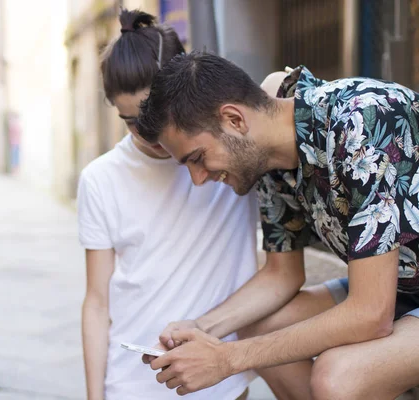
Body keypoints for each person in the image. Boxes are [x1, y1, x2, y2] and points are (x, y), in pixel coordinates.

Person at [136, 51, 419, 399]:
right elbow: (281, 275)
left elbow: (370, 313)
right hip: (400, 286)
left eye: (197, 158)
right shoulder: (268, 160)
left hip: (386, 295)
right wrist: (201, 327)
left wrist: (226, 359)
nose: (198, 179)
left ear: (234, 120)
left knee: (339, 378)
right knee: (257, 324)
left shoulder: (363, 120)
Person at [77, 11, 258, 400]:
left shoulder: (227, 154)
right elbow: (96, 301)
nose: (146, 131)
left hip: (219, 380)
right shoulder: (100, 178)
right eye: (129, 121)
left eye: (149, 113)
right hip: (132, 382)